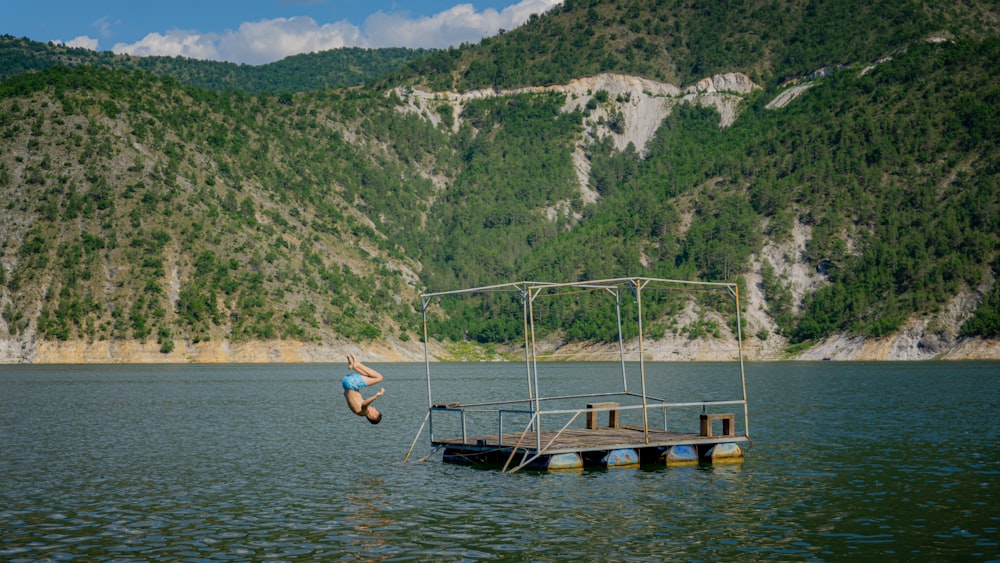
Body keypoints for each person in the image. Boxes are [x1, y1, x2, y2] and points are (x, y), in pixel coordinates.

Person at [341, 353, 384, 424]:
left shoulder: (364, 412)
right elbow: (346, 395)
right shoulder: (358, 412)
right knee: (369, 376)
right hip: (346, 382)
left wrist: (376, 395)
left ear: (373, 416)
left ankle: (357, 365)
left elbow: (364, 404)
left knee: (379, 377)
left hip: (351, 384)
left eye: (376, 411)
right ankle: (353, 366)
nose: (374, 408)